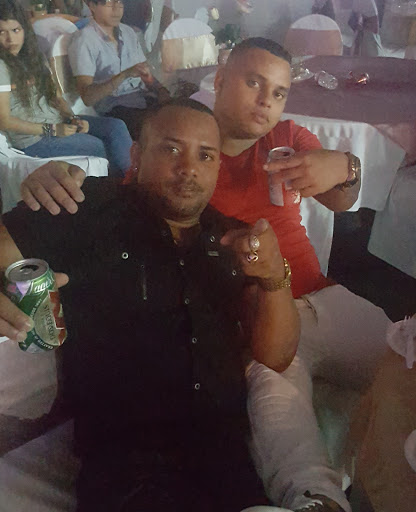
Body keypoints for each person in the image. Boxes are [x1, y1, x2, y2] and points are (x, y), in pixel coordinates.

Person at [17, 38, 391, 512]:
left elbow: (341, 199)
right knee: (279, 404)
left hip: (313, 297)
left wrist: (345, 166)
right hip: (253, 320)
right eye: (253, 83)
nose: (265, 101)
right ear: (219, 80)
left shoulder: (287, 140)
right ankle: (319, 500)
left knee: (410, 362)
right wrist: (51, 179)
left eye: (278, 92)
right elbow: (114, 208)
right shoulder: (168, 168)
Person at [0, 98, 300, 512]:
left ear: (218, 166)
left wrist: (273, 278)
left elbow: (277, 356)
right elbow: (5, 240)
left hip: (226, 460)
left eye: (205, 155)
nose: (188, 168)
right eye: (171, 148)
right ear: (137, 156)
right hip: (127, 466)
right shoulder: (87, 207)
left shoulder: (233, 239)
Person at [0, 0, 132, 176]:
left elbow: (56, 97)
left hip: (58, 122)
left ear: (24, 30)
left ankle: (132, 179)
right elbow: (4, 120)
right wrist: (52, 129)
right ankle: (123, 185)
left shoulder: (35, 57)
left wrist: (72, 118)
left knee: (116, 126)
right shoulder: (2, 66)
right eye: (2, 32)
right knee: (100, 146)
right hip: (34, 139)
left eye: (16, 30)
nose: (10, 39)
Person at [68, 0, 170, 139]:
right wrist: (124, 75)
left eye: (120, 2)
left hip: (142, 99)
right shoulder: (84, 40)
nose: (116, 8)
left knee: (179, 113)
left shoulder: (128, 32)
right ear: (92, 6)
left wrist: (160, 89)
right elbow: (88, 97)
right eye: (109, 3)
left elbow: (145, 72)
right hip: (115, 107)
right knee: (157, 127)